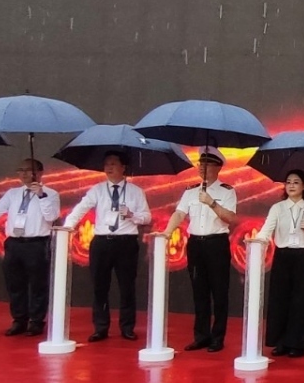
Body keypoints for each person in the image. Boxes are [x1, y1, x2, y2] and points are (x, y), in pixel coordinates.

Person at [63, 150, 151, 342]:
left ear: (123, 167)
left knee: (127, 287)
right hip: (102, 242)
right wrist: (67, 226)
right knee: (99, 287)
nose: (109, 168)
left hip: (126, 243)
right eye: (106, 164)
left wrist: (131, 215)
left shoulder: (136, 192)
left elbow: (146, 217)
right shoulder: (97, 190)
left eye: (113, 164)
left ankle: (127, 327)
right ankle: (100, 327)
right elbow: (81, 208)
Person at [0, 159, 61, 336]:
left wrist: (41, 195)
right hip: (14, 243)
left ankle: (36, 321)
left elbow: (52, 216)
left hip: (37, 243)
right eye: (21, 170)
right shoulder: (13, 193)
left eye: (29, 170)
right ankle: (19, 319)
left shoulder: (51, 194)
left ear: (40, 173)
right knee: (15, 283)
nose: (24, 174)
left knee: (38, 284)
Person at [164, 147, 238, 353]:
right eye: (200, 164)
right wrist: (167, 233)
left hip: (216, 243)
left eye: (207, 165)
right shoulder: (190, 191)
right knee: (199, 291)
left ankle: (218, 337)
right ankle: (201, 335)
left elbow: (231, 218)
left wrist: (212, 203)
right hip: (196, 244)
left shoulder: (227, 191)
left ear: (218, 167)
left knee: (219, 291)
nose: (202, 168)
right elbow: (179, 214)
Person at [258, 169, 304, 358]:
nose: (291, 185)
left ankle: (298, 343)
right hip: (283, 256)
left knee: (301, 300)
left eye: (296, 182)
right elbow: (266, 230)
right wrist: (257, 242)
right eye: (288, 182)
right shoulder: (277, 208)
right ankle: (281, 342)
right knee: (280, 298)